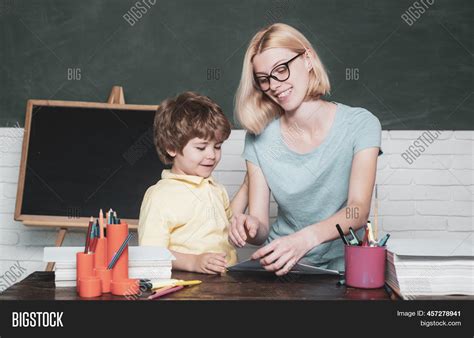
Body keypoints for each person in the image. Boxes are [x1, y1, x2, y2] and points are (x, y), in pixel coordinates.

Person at [229, 23, 382, 275]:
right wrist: (250, 226)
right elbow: (261, 228)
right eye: (264, 79)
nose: (275, 85)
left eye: (281, 69)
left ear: (308, 59)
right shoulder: (259, 137)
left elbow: (358, 210)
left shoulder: (361, 124)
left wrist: (304, 239)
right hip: (283, 269)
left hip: (345, 269)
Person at [138, 91, 248, 274]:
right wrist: (193, 262)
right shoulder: (159, 196)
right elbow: (151, 253)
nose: (212, 155)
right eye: (201, 147)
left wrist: (247, 187)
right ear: (171, 147)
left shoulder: (215, 188)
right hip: (186, 286)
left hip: (225, 283)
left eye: (217, 147)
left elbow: (227, 228)